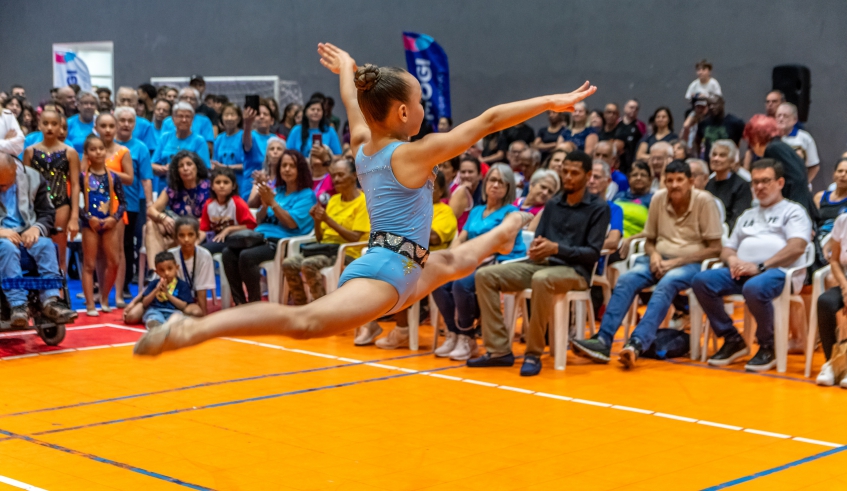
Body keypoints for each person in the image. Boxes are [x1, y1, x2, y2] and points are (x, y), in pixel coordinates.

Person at [133, 42, 595, 356]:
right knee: (308, 323)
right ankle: (194, 330)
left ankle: (505, 230)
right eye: (419, 105)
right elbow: (490, 120)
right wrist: (551, 101)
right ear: (400, 112)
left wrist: (350, 68)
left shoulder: (362, 143)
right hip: (387, 269)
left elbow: (354, 103)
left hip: (407, 264)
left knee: (457, 261)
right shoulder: (412, 155)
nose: (423, 112)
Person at [466, 151, 607, 375]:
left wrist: (557, 248)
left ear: (588, 175)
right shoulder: (553, 204)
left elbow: (592, 254)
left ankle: (533, 354)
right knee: (486, 275)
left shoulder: (599, 208)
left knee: (542, 279)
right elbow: (540, 239)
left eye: (575, 173)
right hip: (543, 263)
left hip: (575, 271)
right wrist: (537, 249)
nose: (568, 177)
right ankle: (499, 350)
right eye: (565, 172)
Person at [573, 160, 722, 368]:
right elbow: (650, 239)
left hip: (691, 264)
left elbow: (715, 248)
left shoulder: (705, 201)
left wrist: (677, 262)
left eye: (680, 180)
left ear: (691, 182)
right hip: (658, 260)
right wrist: (654, 256)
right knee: (626, 279)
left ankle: (636, 343)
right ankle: (602, 340)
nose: (675, 185)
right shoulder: (658, 199)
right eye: (669, 180)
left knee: (667, 283)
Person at [692, 159, 811, 372]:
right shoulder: (747, 215)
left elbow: (797, 247)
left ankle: (768, 345)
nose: (759, 187)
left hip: (780, 273)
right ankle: (732, 339)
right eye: (755, 182)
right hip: (744, 272)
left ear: (780, 182)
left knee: (754, 287)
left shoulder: (793, 211)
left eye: (766, 181)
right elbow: (728, 248)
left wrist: (761, 266)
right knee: (702, 281)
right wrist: (733, 260)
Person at [427, 164, 527, 359]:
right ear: (485, 182)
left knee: (460, 284)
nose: (495, 185)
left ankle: (468, 337)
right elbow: (462, 237)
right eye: (492, 180)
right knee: (438, 280)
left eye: (501, 182)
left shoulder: (511, 213)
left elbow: (500, 245)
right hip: (473, 259)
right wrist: (449, 258)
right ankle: (453, 333)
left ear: (509, 188)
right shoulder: (477, 210)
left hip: (500, 262)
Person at [222, 149, 316, 305]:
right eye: (283, 165)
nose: (287, 169)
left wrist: (272, 202)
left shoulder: (307, 195)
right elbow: (259, 220)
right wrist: (265, 205)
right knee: (228, 253)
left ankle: (255, 304)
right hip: (259, 238)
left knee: (246, 256)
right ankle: (240, 303)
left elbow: (292, 223)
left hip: (281, 242)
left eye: (292, 166)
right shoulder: (278, 192)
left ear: (300, 169)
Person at [0, 153, 76, 327]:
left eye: (5, 184)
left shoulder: (33, 178)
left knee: (46, 244)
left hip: (27, 233)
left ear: (15, 170)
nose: (2, 189)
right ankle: (18, 305)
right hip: (2, 238)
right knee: (7, 247)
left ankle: (50, 301)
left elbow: (47, 213)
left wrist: (36, 228)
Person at [283, 158, 368, 305]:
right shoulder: (334, 200)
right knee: (288, 263)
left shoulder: (363, 201)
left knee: (309, 264)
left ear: (355, 176)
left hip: (347, 253)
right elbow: (320, 237)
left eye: (340, 175)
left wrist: (328, 220)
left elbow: (356, 238)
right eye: (334, 175)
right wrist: (317, 220)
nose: (336, 179)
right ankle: (302, 307)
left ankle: (322, 309)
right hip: (326, 249)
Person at [22, 110, 80, 273]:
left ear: (60, 127)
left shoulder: (69, 152)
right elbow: (24, 183)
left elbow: (75, 185)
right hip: (36, 206)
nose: (50, 127)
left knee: (59, 252)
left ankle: (59, 293)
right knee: (34, 249)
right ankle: (40, 294)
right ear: (39, 125)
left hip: (61, 204)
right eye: (45, 123)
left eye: (54, 124)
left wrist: (74, 217)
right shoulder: (30, 152)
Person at [79, 135, 126, 316]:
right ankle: (90, 304)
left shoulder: (113, 177)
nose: (98, 152)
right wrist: (87, 218)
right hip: (89, 223)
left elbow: (122, 202)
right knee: (89, 264)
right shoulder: (82, 176)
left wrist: (114, 218)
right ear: (87, 153)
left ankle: (105, 298)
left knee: (113, 262)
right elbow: (76, 202)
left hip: (109, 222)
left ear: (105, 151)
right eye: (93, 149)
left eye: (101, 148)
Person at [145, 151, 211, 272]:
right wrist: (163, 218)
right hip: (176, 230)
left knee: (164, 241)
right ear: (177, 171)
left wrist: (182, 227)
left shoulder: (208, 187)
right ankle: (154, 271)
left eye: (189, 164)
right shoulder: (173, 188)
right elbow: (151, 210)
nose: (185, 168)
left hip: (199, 231)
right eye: (181, 166)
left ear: (197, 167)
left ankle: (160, 271)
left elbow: (209, 218)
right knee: (150, 225)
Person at [744, 114, 817, 221]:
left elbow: (796, 179)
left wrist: (798, 214)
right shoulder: (781, 146)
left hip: (796, 209)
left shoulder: (772, 149)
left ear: (756, 137)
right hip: (802, 205)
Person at [114, 106, 154, 299]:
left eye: (130, 121)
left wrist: (149, 205)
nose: (126, 124)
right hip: (102, 204)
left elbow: (146, 179)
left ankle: (124, 286)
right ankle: (100, 286)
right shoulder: (103, 146)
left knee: (127, 245)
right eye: (122, 120)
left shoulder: (141, 148)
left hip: (130, 204)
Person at [815, 213, 847, 385]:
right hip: (846, 282)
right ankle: (833, 364)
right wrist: (844, 287)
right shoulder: (842, 221)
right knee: (826, 302)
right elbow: (834, 261)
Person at [151, 101, 211, 191]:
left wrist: (178, 170)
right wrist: (162, 168)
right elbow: (152, 164)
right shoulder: (165, 137)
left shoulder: (199, 141)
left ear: (192, 120)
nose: (184, 120)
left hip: (189, 189)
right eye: (180, 116)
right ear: (173, 119)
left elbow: (205, 169)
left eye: (188, 117)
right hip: (165, 187)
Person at [135, 251, 201, 329]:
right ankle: (155, 325)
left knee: (177, 316)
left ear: (176, 268)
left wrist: (167, 294)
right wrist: (156, 290)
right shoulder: (153, 283)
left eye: (170, 269)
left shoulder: (182, 285)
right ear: (156, 272)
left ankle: (170, 326)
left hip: (173, 311)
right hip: (156, 310)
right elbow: (145, 303)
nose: (166, 273)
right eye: (162, 270)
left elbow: (183, 306)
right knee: (152, 316)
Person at [200, 166, 257, 255]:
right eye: (218, 182)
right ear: (212, 186)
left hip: (236, 240)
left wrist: (229, 229)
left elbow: (252, 225)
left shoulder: (238, 203)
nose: (222, 186)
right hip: (216, 238)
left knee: (205, 251)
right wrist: (194, 244)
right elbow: (204, 229)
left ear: (233, 186)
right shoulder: (208, 204)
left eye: (226, 182)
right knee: (197, 250)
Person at [168, 216, 215, 315]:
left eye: (190, 235)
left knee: (196, 313)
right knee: (132, 315)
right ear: (176, 237)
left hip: (187, 303)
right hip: (169, 299)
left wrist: (203, 319)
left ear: (197, 236)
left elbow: (202, 292)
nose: (186, 239)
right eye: (181, 235)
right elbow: (156, 284)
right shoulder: (170, 255)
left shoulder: (205, 256)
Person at [706, 139, 752, 230]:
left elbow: (738, 219)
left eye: (722, 155)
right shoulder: (708, 182)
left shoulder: (741, 185)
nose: (716, 159)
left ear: (731, 161)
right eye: (714, 154)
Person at [212, 103, 250, 200]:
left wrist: (227, 167)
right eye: (226, 115)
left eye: (232, 115)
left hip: (241, 184)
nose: (229, 118)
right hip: (223, 186)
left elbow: (248, 164)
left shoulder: (245, 136)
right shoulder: (219, 138)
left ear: (239, 118)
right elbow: (215, 162)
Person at [776, 102, 819, 182]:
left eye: (785, 116)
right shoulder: (771, 137)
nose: (781, 119)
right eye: (778, 115)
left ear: (794, 119)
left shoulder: (804, 138)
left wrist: (805, 183)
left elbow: (814, 166)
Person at [694, 96, 745, 160]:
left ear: (722, 103)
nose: (712, 107)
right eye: (709, 105)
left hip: (728, 161)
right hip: (710, 162)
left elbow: (742, 141)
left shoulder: (735, 122)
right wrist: (698, 157)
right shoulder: (704, 123)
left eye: (715, 104)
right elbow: (697, 140)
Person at [242, 99, 277, 187]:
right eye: (258, 114)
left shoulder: (276, 139)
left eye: (265, 114)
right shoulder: (250, 135)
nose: (261, 117)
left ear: (272, 120)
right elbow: (247, 145)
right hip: (251, 185)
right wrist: (247, 124)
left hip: (272, 185)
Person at [116, 87, 158, 153]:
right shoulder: (109, 122)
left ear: (136, 104)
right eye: (122, 100)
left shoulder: (145, 125)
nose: (126, 104)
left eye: (129, 101)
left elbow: (150, 151)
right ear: (116, 102)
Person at [448, 156, 484, 231]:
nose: (466, 175)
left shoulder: (486, 194)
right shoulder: (453, 190)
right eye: (463, 172)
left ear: (479, 175)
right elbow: (449, 219)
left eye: (470, 172)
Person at [813, 158, 847, 235]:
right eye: (840, 171)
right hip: (818, 239)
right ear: (834, 174)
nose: (843, 175)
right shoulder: (820, 197)